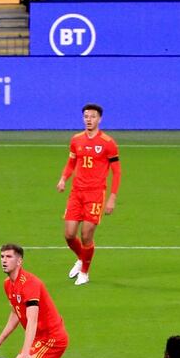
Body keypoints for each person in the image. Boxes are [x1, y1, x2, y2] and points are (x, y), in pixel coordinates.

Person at [58, 103, 121, 286]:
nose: (89, 120)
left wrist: (112, 197)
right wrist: (63, 179)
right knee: (69, 235)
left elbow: (117, 172)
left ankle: (84, 273)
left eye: (92, 116)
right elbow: (71, 163)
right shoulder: (76, 140)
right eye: (86, 116)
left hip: (95, 194)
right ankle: (81, 258)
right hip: (76, 192)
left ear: (99, 119)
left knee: (86, 235)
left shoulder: (108, 143)